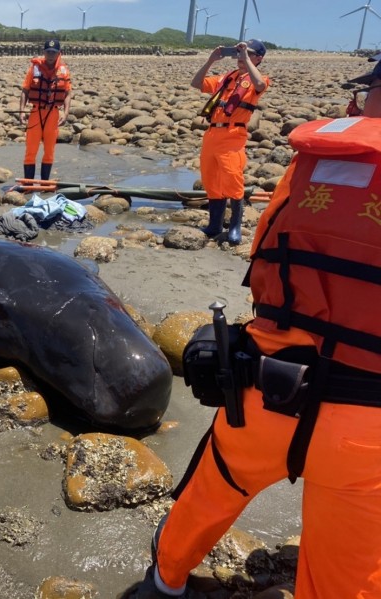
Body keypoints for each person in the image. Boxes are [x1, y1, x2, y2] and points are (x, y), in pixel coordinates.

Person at [134, 62, 381, 599]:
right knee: (349, 578)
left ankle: (165, 582)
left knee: (206, 495)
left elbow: (264, 265)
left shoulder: (314, 161)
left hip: (263, 394)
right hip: (365, 429)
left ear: (364, 101)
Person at [191, 39, 269, 245]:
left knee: (233, 180)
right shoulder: (226, 78)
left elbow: (260, 84)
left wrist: (246, 60)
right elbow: (196, 83)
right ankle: (214, 224)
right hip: (212, 134)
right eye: (239, 53)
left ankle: (234, 227)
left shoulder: (257, 80)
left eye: (248, 53)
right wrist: (210, 61)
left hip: (233, 136)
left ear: (258, 58)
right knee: (210, 179)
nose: (240, 57)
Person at [19, 38, 72, 183]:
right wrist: (22, 111)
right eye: (48, 51)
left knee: (49, 151)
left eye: (53, 52)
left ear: (58, 53)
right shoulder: (34, 68)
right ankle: (28, 182)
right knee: (31, 150)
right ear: (44, 52)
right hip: (36, 112)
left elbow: (67, 93)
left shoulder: (64, 70)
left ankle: (44, 183)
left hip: (53, 114)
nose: (50, 54)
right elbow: (25, 90)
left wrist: (66, 113)